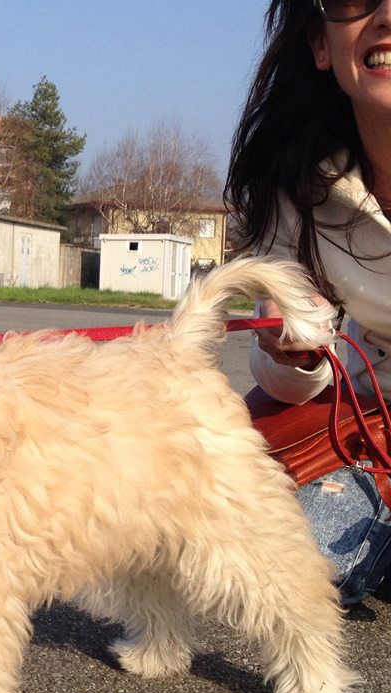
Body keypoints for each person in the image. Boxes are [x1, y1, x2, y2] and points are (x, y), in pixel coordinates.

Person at [226, 0, 391, 605]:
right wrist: (292, 353)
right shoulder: (297, 189)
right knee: (280, 562)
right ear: (322, 44)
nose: (386, 13)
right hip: (365, 422)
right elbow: (286, 384)